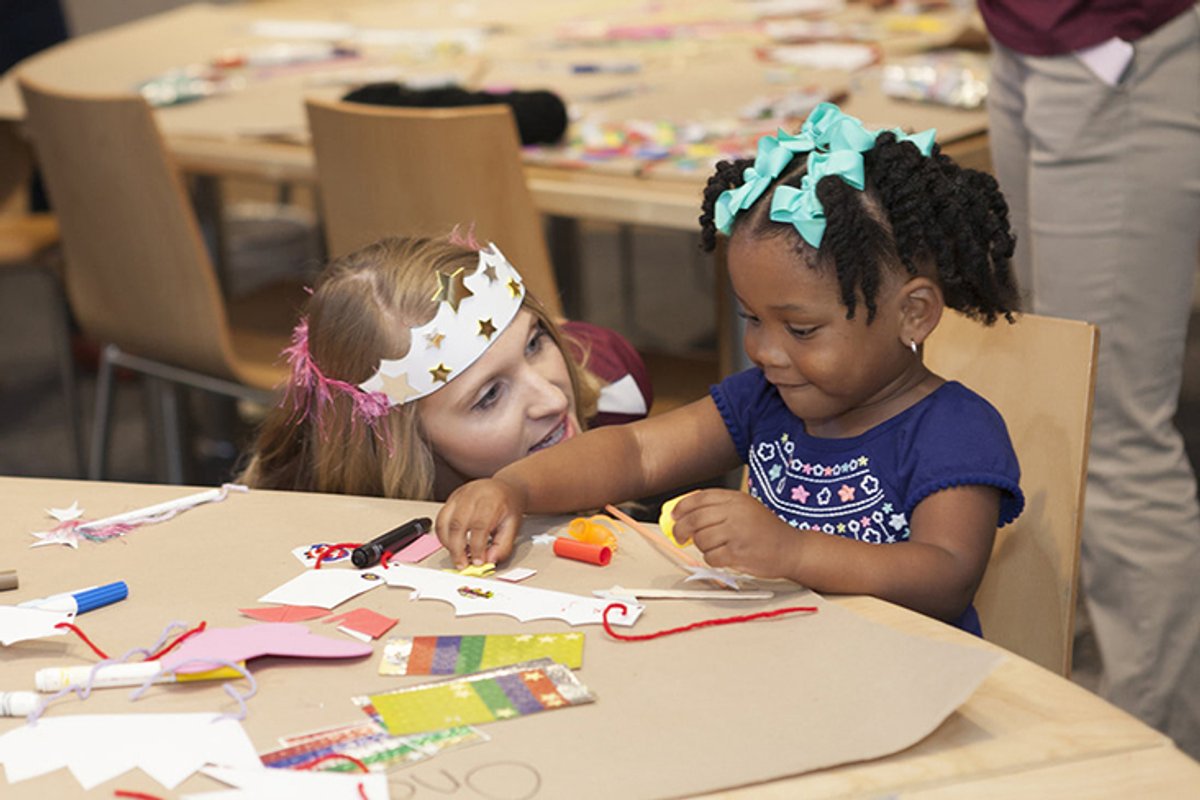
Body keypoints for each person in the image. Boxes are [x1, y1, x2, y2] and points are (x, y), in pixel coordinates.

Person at [435, 103, 1024, 634]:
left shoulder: (955, 430)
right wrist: (514, 485)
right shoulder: (764, 399)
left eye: (800, 330)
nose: (765, 351)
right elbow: (636, 453)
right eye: (751, 319)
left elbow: (946, 579)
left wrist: (792, 552)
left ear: (913, 314)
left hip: (899, 686)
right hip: (771, 664)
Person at [978, 1, 1200, 759]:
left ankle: (1152, 756)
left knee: (1111, 430)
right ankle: (1076, 715)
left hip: (1119, 49)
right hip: (1026, 38)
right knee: (1056, 386)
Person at [238, 233, 652, 501]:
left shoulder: (617, 392)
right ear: (402, 444)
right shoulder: (308, 509)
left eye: (534, 343)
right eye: (489, 396)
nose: (554, 397)